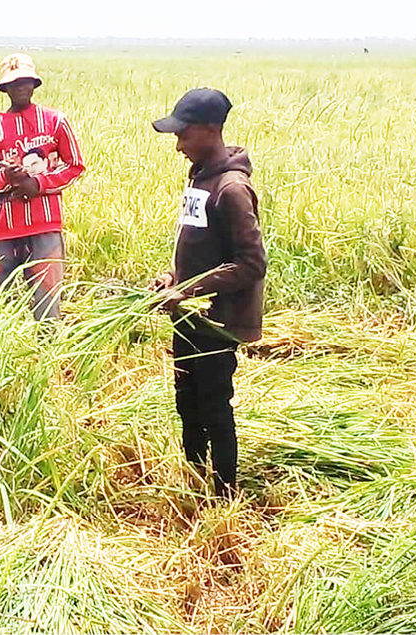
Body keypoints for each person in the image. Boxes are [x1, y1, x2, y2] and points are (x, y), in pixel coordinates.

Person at [150, 88, 267, 497]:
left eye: (184, 135)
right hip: (189, 315)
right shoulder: (199, 178)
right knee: (187, 399)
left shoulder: (232, 189)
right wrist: (172, 278)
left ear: (210, 131)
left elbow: (251, 264)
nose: (179, 145)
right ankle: (195, 479)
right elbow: (197, 247)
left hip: (216, 320)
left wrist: (188, 290)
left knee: (215, 404)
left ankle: (224, 494)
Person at [0, 53, 85, 321]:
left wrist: (38, 184)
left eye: (25, 81)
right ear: (5, 88)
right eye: (14, 83)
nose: (21, 87)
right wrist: (6, 177)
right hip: (3, 228)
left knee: (47, 307)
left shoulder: (55, 121)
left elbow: (75, 166)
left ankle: (46, 356)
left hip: (45, 224)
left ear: (34, 84)